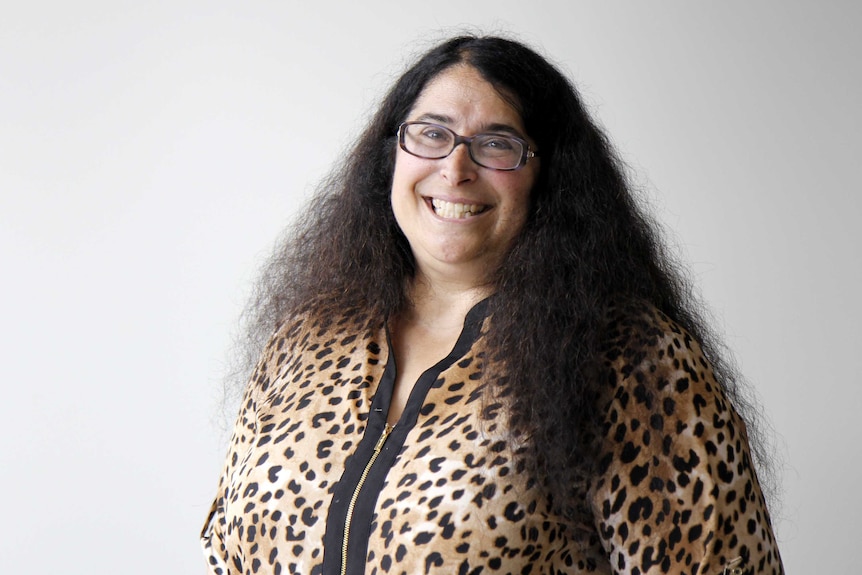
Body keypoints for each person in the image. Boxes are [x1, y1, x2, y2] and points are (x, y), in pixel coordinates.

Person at [201, 35, 784, 575]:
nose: (455, 169)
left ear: (548, 176)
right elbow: (226, 552)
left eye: (497, 145)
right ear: (392, 156)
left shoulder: (628, 358)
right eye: (431, 133)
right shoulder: (307, 340)